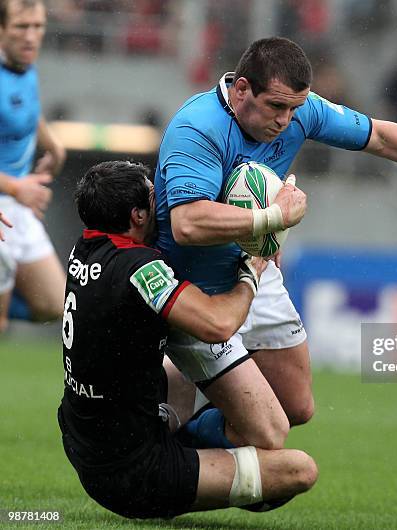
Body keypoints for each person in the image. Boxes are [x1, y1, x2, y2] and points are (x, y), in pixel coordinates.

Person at [155, 36, 397, 453]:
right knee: (266, 430)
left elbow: (380, 137)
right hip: (195, 286)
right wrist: (274, 218)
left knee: (295, 406)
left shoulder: (299, 111)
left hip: (254, 269)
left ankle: (180, 425)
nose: (287, 120)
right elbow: (187, 222)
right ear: (242, 89)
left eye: (295, 107)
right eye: (277, 107)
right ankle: (169, 442)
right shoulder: (199, 127)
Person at [58, 160, 317, 519]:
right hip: (134, 470)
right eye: (153, 197)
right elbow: (218, 324)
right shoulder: (140, 268)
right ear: (137, 216)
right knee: (297, 468)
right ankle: (181, 458)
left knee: (184, 369)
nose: (162, 203)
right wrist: (251, 272)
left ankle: (180, 435)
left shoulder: (84, 249)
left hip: (87, 440)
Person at [0, 0, 66, 332]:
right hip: (5, 201)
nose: (31, 36)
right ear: (1, 30)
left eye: (37, 26)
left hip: (19, 205)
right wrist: (14, 187)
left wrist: (52, 143)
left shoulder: (26, 68)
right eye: (21, 27)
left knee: (54, 304)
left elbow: (24, 110)